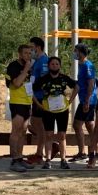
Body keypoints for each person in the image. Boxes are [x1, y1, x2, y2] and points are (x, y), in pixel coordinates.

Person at [33, 56, 77, 168]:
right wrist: (38, 104)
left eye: (57, 64)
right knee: (49, 134)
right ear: (48, 66)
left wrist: (70, 101)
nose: (55, 66)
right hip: (48, 110)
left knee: (62, 135)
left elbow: (77, 86)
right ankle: (48, 160)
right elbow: (30, 90)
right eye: (52, 64)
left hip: (62, 110)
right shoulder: (43, 79)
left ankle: (63, 160)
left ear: (60, 66)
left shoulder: (64, 78)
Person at [6, 44, 34, 172]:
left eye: (30, 53)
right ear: (20, 54)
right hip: (17, 102)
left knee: (23, 131)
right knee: (16, 131)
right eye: (26, 53)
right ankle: (14, 160)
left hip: (27, 102)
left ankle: (20, 157)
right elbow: (16, 83)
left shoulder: (29, 67)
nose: (28, 56)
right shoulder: (13, 66)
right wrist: (26, 69)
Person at [70, 44, 98, 166]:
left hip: (88, 101)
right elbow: (79, 84)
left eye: (75, 51)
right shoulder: (81, 65)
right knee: (89, 126)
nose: (74, 53)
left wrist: (87, 101)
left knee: (77, 125)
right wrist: (71, 99)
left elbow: (91, 84)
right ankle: (97, 150)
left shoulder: (88, 66)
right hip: (84, 100)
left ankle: (84, 151)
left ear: (81, 53)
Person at [26, 37, 51, 165]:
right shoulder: (36, 61)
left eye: (32, 47)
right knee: (35, 123)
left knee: (40, 126)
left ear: (38, 47)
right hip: (35, 96)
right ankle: (44, 150)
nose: (30, 50)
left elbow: (45, 80)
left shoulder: (44, 61)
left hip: (41, 97)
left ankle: (40, 153)